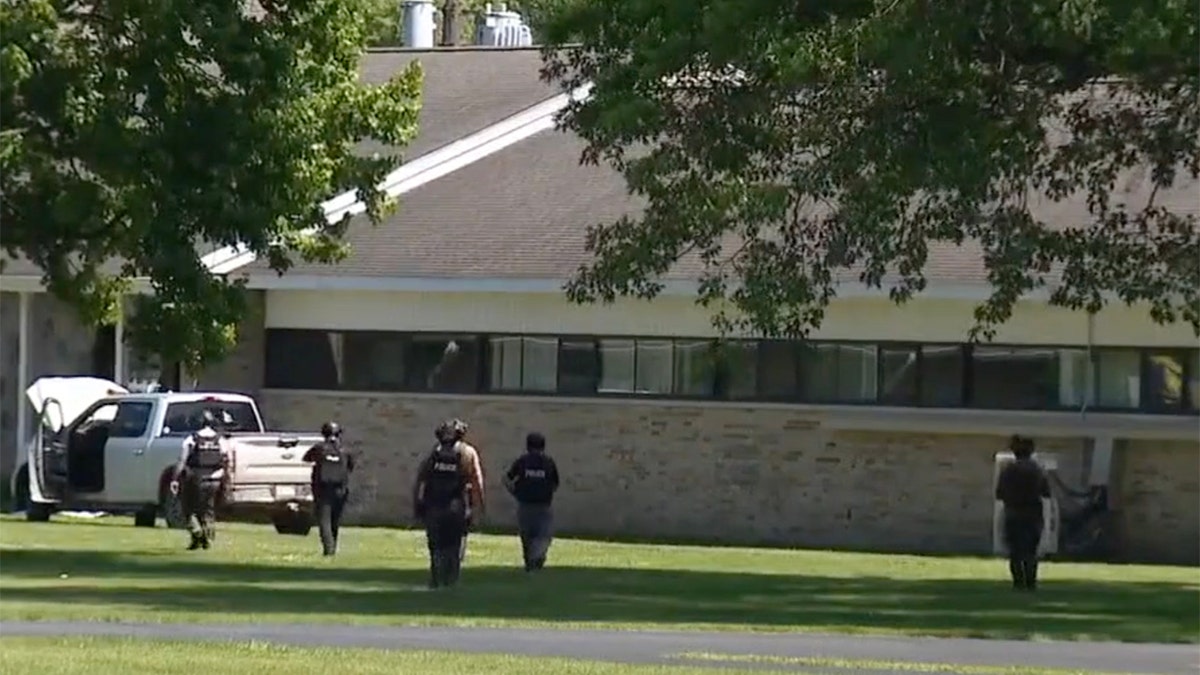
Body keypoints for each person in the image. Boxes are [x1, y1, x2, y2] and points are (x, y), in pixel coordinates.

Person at [412, 418, 485, 589]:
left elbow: (420, 480)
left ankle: (436, 578)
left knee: (436, 545)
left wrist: (417, 505)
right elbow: (477, 481)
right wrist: (480, 506)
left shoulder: (434, 453)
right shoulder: (468, 453)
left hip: (433, 505)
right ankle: (451, 580)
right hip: (457, 506)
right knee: (454, 544)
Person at [995, 435, 1052, 591]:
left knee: (1015, 551)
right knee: (1030, 552)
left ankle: (1018, 582)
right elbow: (1046, 492)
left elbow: (999, 494)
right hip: (1033, 515)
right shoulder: (1038, 470)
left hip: (1013, 513)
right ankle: (1031, 582)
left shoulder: (1008, 470)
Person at [170, 409, 230, 551]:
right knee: (208, 509)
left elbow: (182, 460)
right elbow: (227, 460)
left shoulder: (192, 438)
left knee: (188, 508)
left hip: (196, 478)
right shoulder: (219, 439)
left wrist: (175, 478)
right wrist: (226, 479)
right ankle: (207, 537)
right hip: (215, 479)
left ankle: (197, 532)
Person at [504, 432, 560, 572]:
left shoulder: (522, 461)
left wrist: (515, 493)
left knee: (526, 537)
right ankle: (537, 559)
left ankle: (530, 563)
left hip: (525, 504)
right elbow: (555, 484)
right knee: (542, 535)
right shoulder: (549, 462)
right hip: (543, 505)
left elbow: (507, 479)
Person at [303, 421, 355, 556]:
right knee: (335, 521)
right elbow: (351, 466)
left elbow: (306, 458)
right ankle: (333, 547)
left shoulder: (319, 448)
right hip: (341, 490)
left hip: (323, 490)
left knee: (324, 521)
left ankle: (329, 550)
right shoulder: (345, 450)